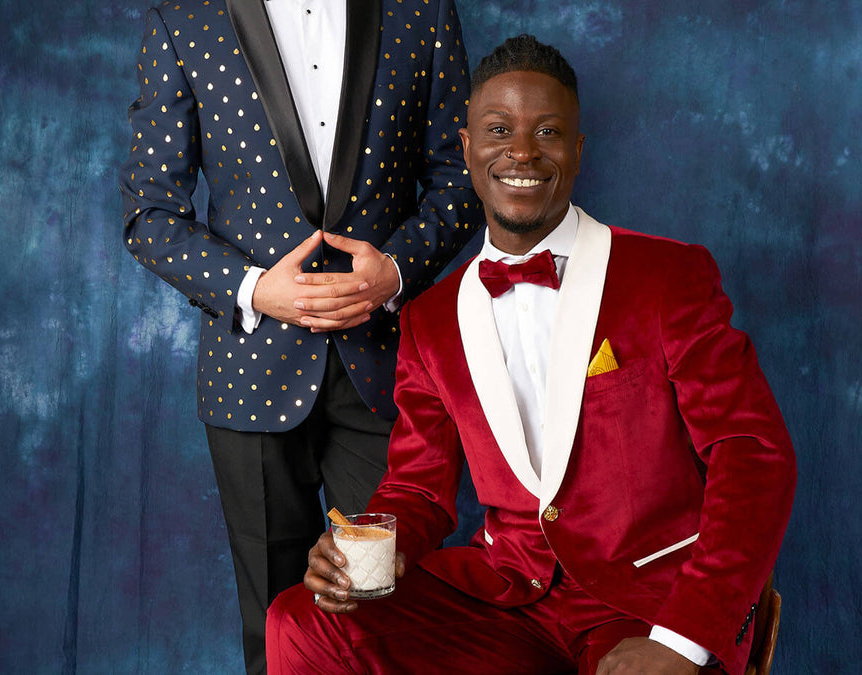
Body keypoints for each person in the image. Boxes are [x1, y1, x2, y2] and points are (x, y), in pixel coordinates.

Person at [266, 35, 796, 675]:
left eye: (547, 131)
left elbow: (753, 456)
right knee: (299, 620)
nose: (521, 151)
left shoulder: (668, 276)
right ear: (466, 149)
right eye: (498, 129)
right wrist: (360, 551)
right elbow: (419, 492)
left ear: (577, 152)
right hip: (508, 599)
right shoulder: (431, 320)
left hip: (652, 604)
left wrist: (682, 639)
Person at [118, 0, 482, 672]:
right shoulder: (184, 18)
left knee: (381, 615)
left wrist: (395, 271)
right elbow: (149, 213)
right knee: (275, 629)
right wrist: (256, 287)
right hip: (248, 378)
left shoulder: (421, 10)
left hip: (386, 371)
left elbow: (462, 180)